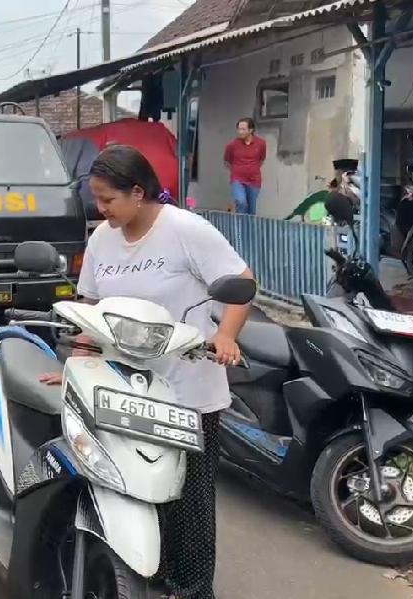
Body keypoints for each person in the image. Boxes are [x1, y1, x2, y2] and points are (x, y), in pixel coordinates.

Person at [43, 145, 254, 599]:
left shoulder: (185, 230)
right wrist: (77, 364)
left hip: (186, 389)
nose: (100, 210)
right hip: (124, 386)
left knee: (190, 498)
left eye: (107, 200)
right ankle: (146, 573)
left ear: (138, 192)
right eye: (96, 200)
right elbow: (90, 307)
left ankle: (193, 589)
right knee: (132, 484)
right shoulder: (102, 239)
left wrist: (227, 335)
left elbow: (241, 283)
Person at [223, 117, 267, 215]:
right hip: (238, 179)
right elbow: (226, 161)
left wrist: (252, 168)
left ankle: (249, 230)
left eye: (243, 129)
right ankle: (240, 230)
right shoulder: (232, 145)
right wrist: (235, 170)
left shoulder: (261, 143)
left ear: (251, 130)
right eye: (238, 129)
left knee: (251, 210)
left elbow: (261, 159)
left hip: (254, 181)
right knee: (241, 202)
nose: (240, 132)